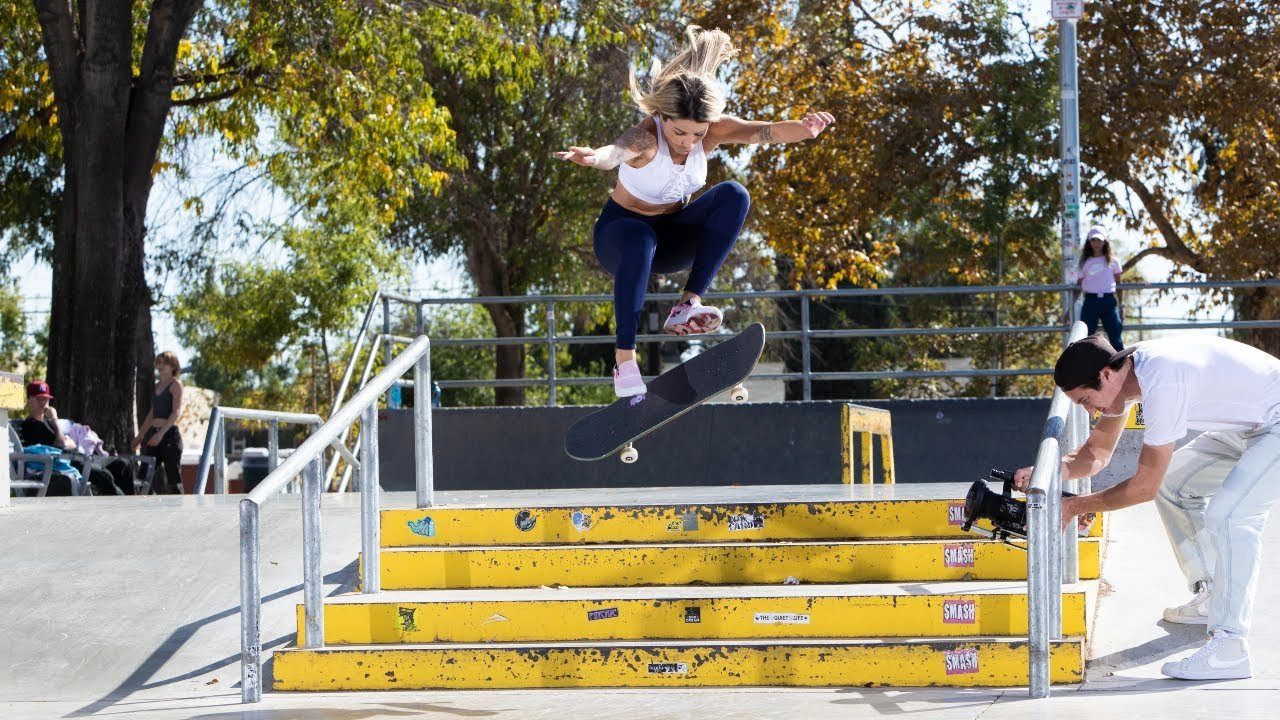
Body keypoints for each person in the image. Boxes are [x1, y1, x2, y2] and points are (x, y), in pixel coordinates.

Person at [557, 26, 835, 397]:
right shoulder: (647, 136)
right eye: (680, 134)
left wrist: (804, 129)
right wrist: (593, 156)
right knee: (639, 236)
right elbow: (615, 152)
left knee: (734, 194)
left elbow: (763, 132)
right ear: (664, 119)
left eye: (698, 135)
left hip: (673, 239)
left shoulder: (713, 130)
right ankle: (625, 360)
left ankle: (688, 305)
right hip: (620, 237)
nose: (689, 143)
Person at [1013, 333, 1280, 680]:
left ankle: (1230, 646)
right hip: (1251, 425)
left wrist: (1075, 506)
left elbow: (1143, 487)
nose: (1090, 411)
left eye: (1086, 399)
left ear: (1106, 375)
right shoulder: (1126, 379)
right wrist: (1046, 472)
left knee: (1230, 514)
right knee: (1175, 485)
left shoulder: (1163, 379)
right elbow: (1094, 455)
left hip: (1274, 420)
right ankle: (1212, 593)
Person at [18, 380, 132, 495]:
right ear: (29, 400)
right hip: (65, 464)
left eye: (46, 399)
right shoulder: (30, 425)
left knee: (122, 464)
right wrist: (55, 421)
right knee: (104, 476)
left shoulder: (49, 422)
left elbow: (72, 444)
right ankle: (124, 508)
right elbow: (62, 443)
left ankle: (131, 505)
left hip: (79, 457)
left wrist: (60, 434)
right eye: (39, 399)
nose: (44, 403)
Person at [131, 351, 185, 494]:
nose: (161, 366)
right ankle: (151, 508)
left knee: (173, 480)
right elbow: (152, 414)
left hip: (169, 437)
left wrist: (161, 434)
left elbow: (175, 413)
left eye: (165, 363)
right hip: (154, 435)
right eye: (159, 362)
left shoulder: (176, 384)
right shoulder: (156, 386)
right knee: (143, 476)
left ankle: (180, 512)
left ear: (173, 366)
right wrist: (140, 436)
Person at [1076, 227, 1124, 350]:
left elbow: (1119, 285)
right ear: (1089, 242)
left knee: (1115, 338)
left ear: (1105, 242)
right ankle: (1087, 367)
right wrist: (1068, 311)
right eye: (1093, 240)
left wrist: (1121, 306)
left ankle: (1122, 366)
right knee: (1086, 339)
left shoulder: (1113, 261)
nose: (1096, 243)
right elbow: (1078, 286)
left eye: (1099, 240)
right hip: (1090, 301)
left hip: (1108, 301)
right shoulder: (1085, 262)